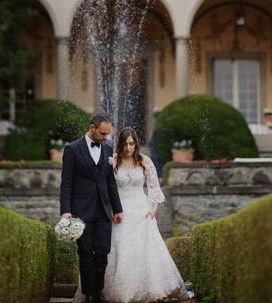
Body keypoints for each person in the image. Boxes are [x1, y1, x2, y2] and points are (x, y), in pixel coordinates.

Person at [103, 127, 193, 303]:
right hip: (120, 211)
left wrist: (153, 209)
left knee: (145, 250)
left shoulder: (144, 161)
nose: (128, 147)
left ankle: (149, 288)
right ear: (119, 144)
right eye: (125, 144)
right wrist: (112, 209)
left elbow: (154, 188)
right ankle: (120, 290)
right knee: (120, 249)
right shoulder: (112, 162)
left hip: (141, 211)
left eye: (131, 143)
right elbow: (106, 188)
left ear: (136, 144)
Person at [60, 112, 124, 303]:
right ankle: (89, 293)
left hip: (104, 210)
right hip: (82, 210)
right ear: (92, 127)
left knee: (103, 251)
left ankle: (98, 291)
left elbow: (110, 182)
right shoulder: (72, 149)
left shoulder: (108, 149)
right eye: (102, 134)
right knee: (86, 253)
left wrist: (117, 208)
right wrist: (65, 210)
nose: (105, 137)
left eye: (108, 134)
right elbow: (66, 183)